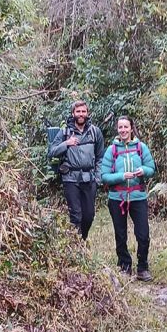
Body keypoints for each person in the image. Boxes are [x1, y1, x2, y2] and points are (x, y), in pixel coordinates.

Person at [100, 115, 156, 281]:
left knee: (143, 234)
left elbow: (151, 168)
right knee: (120, 234)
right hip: (117, 198)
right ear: (117, 130)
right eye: (120, 127)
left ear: (131, 128)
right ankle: (124, 266)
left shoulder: (141, 147)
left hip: (138, 196)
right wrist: (121, 176)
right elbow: (104, 176)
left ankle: (142, 267)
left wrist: (143, 171)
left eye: (126, 127)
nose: (123, 130)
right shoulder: (112, 150)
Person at [47, 100, 105, 240]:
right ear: (73, 113)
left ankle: (81, 240)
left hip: (89, 179)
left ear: (87, 113)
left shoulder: (95, 132)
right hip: (70, 179)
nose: (81, 114)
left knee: (89, 215)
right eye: (78, 111)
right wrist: (66, 143)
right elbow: (51, 152)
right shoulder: (65, 132)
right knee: (76, 215)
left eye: (83, 111)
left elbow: (100, 157)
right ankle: (76, 246)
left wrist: (97, 178)